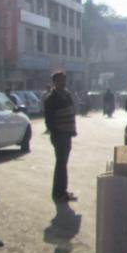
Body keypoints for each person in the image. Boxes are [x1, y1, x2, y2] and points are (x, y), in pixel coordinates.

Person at [44, 71, 77, 203]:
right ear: (55, 83)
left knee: (63, 164)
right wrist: (55, 133)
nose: (63, 83)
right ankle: (58, 193)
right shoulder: (51, 98)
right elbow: (49, 120)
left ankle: (62, 191)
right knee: (61, 164)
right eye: (60, 81)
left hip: (67, 134)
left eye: (64, 80)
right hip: (59, 135)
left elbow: (71, 112)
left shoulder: (67, 95)